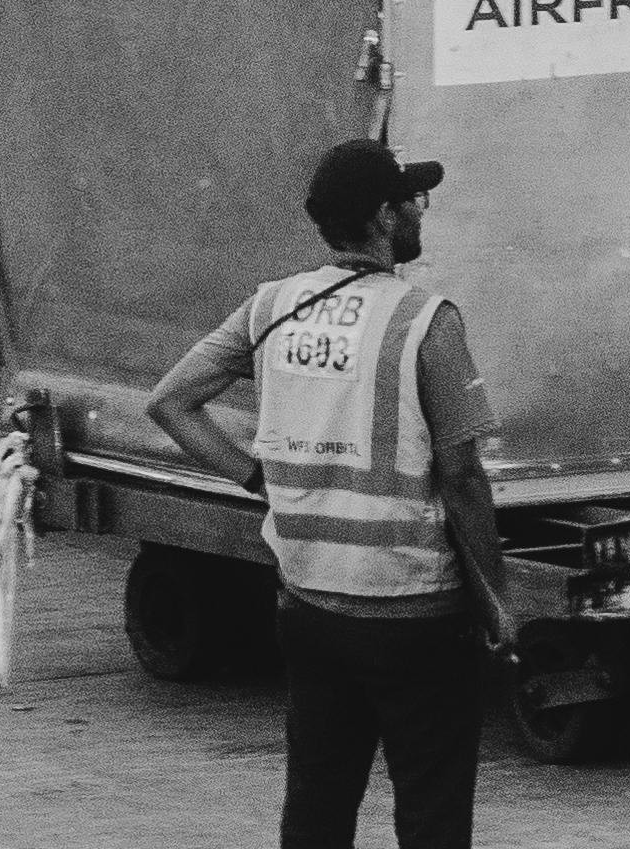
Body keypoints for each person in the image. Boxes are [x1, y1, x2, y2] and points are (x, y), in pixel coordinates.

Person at [147, 140, 515, 849]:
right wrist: (498, 603)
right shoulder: (423, 321)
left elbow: (170, 403)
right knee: (433, 814)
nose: (417, 212)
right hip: (415, 613)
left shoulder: (272, 308)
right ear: (382, 216)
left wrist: (258, 477)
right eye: (410, 200)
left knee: (317, 808)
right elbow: (464, 476)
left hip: (310, 605)